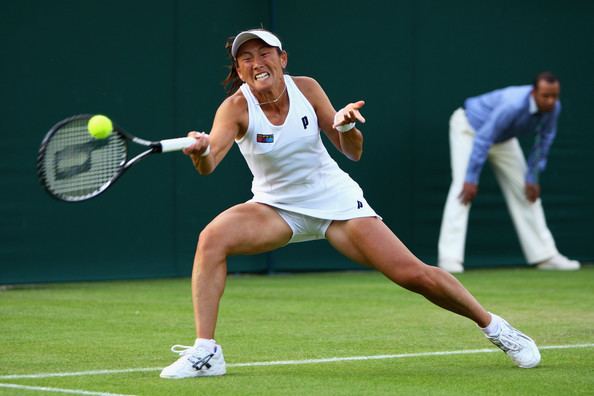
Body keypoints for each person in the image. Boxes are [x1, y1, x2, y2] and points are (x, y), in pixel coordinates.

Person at [160, 29, 541, 379]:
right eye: (246, 58)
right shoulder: (235, 108)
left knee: (414, 275)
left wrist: (345, 127)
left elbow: (351, 152)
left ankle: (496, 327)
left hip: (336, 202)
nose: (257, 62)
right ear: (240, 72)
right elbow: (211, 163)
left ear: (283, 59)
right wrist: (200, 151)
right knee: (212, 239)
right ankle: (207, 351)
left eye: (264, 53)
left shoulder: (307, 89)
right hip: (276, 208)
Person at [437, 73, 581, 274]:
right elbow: (484, 139)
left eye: (554, 96)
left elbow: (544, 141)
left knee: (526, 191)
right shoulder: (513, 105)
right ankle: (449, 259)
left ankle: (545, 255)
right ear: (534, 93)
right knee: (462, 189)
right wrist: (471, 178)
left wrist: (533, 176)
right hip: (470, 129)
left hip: (503, 139)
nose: (550, 101)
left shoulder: (553, 109)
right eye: (545, 96)